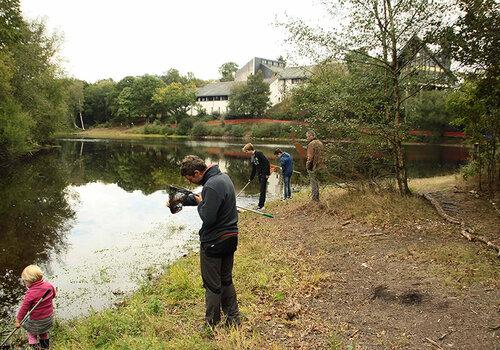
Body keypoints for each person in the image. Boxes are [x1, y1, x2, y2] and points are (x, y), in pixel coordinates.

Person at [173, 155, 240, 328]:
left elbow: (208, 217)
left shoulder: (210, 186)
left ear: (197, 173)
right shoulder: (223, 178)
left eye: (190, 179)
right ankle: (233, 318)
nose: (190, 182)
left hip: (214, 242)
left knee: (212, 285)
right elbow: (208, 201)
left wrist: (202, 203)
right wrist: (182, 200)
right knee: (226, 280)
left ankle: (212, 323)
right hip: (230, 239)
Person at [16, 265, 56, 349]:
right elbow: (53, 295)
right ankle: (45, 348)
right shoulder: (49, 286)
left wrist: (18, 320)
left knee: (31, 334)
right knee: (43, 332)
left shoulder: (30, 293)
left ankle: (35, 348)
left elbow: (24, 309)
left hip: (36, 321)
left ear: (30, 281)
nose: (25, 283)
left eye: (25, 282)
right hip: (48, 319)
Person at [242, 143, 270, 210]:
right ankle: (260, 205)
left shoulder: (259, 153)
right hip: (259, 175)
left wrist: (267, 174)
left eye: (246, 151)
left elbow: (267, 162)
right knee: (261, 189)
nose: (246, 153)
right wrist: (251, 178)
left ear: (249, 150)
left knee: (262, 190)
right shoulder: (252, 157)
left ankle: (261, 206)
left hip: (264, 174)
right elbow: (254, 168)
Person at [306, 130, 325, 202]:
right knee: (316, 181)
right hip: (320, 165)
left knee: (313, 182)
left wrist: (308, 165)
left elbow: (310, 157)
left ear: (312, 136)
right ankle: (317, 198)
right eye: (307, 136)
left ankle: (314, 199)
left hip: (313, 165)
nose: (307, 138)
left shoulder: (311, 144)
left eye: (308, 136)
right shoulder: (320, 143)